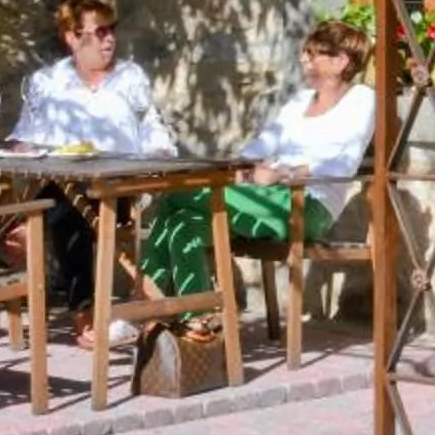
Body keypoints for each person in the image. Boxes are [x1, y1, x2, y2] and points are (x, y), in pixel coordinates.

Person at [141, 18, 375, 299]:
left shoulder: (362, 99)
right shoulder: (301, 100)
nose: (303, 59)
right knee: (184, 223)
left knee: (176, 195)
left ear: (340, 61)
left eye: (313, 54)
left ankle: (144, 298)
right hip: (266, 197)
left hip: (308, 204)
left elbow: (343, 165)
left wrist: (282, 173)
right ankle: (197, 319)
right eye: (305, 52)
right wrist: (241, 167)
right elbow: (262, 145)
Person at [7, 0, 177, 345]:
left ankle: (85, 315)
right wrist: (27, 147)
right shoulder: (47, 82)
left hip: (120, 190)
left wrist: (160, 153)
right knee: (63, 204)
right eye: (99, 32)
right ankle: (83, 313)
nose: (109, 39)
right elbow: (23, 140)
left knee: (61, 210)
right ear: (72, 38)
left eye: (111, 29)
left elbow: (153, 129)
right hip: (64, 185)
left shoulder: (130, 77)